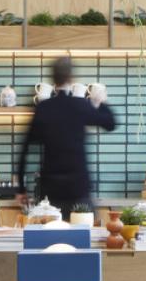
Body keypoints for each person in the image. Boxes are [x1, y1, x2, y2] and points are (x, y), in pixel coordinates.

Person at [16, 57, 116, 214]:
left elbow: (25, 149)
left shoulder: (43, 108)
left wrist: (21, 189)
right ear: (71, 78)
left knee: (50, 234)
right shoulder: (80, 106)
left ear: (53, 79)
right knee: (82, 233)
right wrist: (100, 102)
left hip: (51, 190)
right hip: (78, 188)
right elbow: (110, 124)